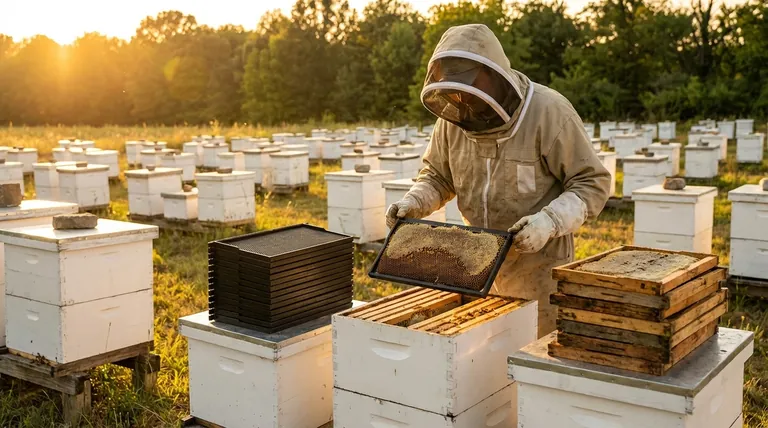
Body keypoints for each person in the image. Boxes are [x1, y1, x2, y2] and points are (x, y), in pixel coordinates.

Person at [386, 24, 612, 338]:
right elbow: (438, 176)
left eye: (467, 86)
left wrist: (548, 221)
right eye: (452, 89)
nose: (459, 99)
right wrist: (414, 201)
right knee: (485, 361)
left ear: (492, 76)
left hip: (540, 268)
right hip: (476, 263)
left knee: (536, 354)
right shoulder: (453, 118)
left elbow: (592, 183)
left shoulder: (549, 113)